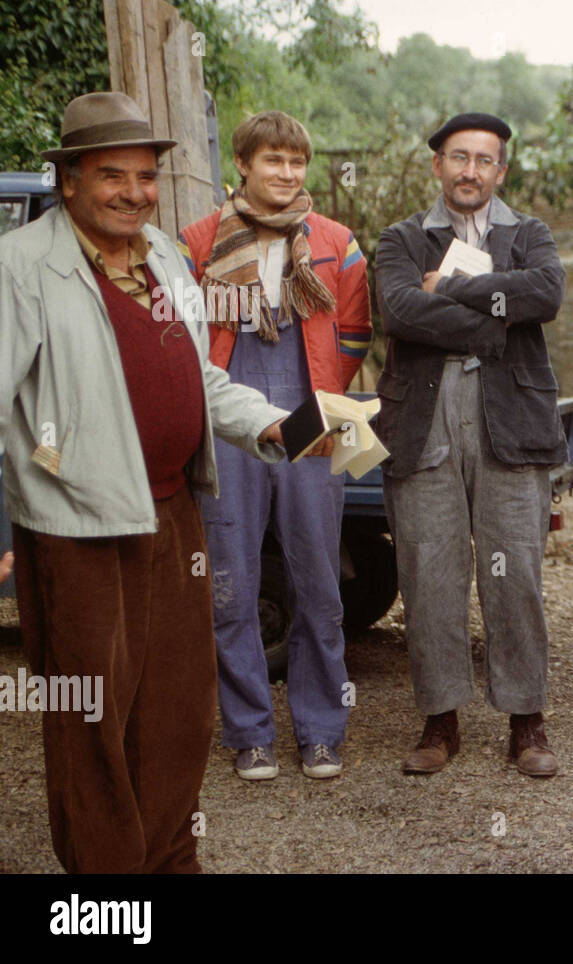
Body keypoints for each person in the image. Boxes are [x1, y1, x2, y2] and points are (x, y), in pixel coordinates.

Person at [0, 91, 300, 872]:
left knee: (176, 715)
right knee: (90, 721)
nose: (134, 191)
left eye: (145, 175)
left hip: (173, 514)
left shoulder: (164, 254)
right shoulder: (22, 266)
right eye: (112, 175)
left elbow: (196, 373)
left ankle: (170, 864)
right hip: (77, 531)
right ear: (67, 180)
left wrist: (275, 423)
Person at [374, 112, 568, 778]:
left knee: (514, 570)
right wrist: (494, 317)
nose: (470, 171)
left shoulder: (528, 234)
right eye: (459, 157)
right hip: (423, 419)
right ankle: (440, 721)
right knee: (429, 571)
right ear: (437, 166)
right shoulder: (402, 238)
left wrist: (453, 291)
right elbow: (398, 310)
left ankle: (527, 722)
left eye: (485, 160)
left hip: (509, 418)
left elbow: (544, 294)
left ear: (501, 172)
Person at [180, 111, 372, 781]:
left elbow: (354, 330)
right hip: (229, 412)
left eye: (296, 163)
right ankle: (249, 733)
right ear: (243, 165)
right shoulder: (198, 242)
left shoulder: (336, 241)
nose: (287, 175)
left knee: (318, 579)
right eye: (273, 162)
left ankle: (321, 731)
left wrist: (323, 394)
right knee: (230, 580)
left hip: (311, 412)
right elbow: (185, 339)